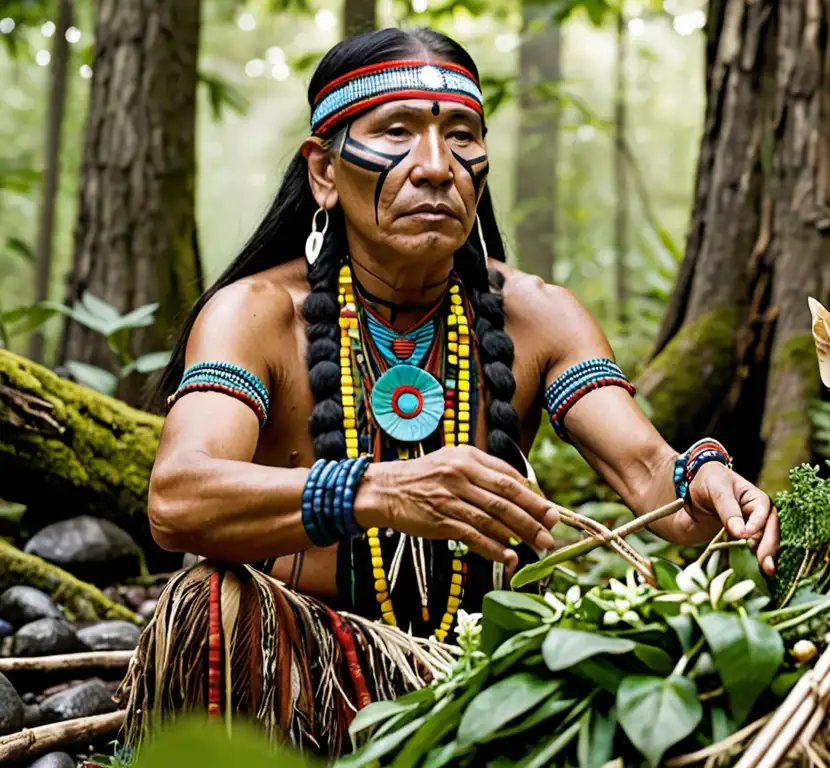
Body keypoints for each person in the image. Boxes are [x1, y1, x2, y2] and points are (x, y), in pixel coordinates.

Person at [120, 27, 778, 756]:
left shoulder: (540, 315)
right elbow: (177, 499)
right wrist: (380, 490)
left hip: (484, 677)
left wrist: (705, 481)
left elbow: (651, 475)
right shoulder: (255, 314)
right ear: (324, 173)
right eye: (395, 132)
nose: (436, 167)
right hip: (304, 671)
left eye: (461, 134)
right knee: (210, 604)